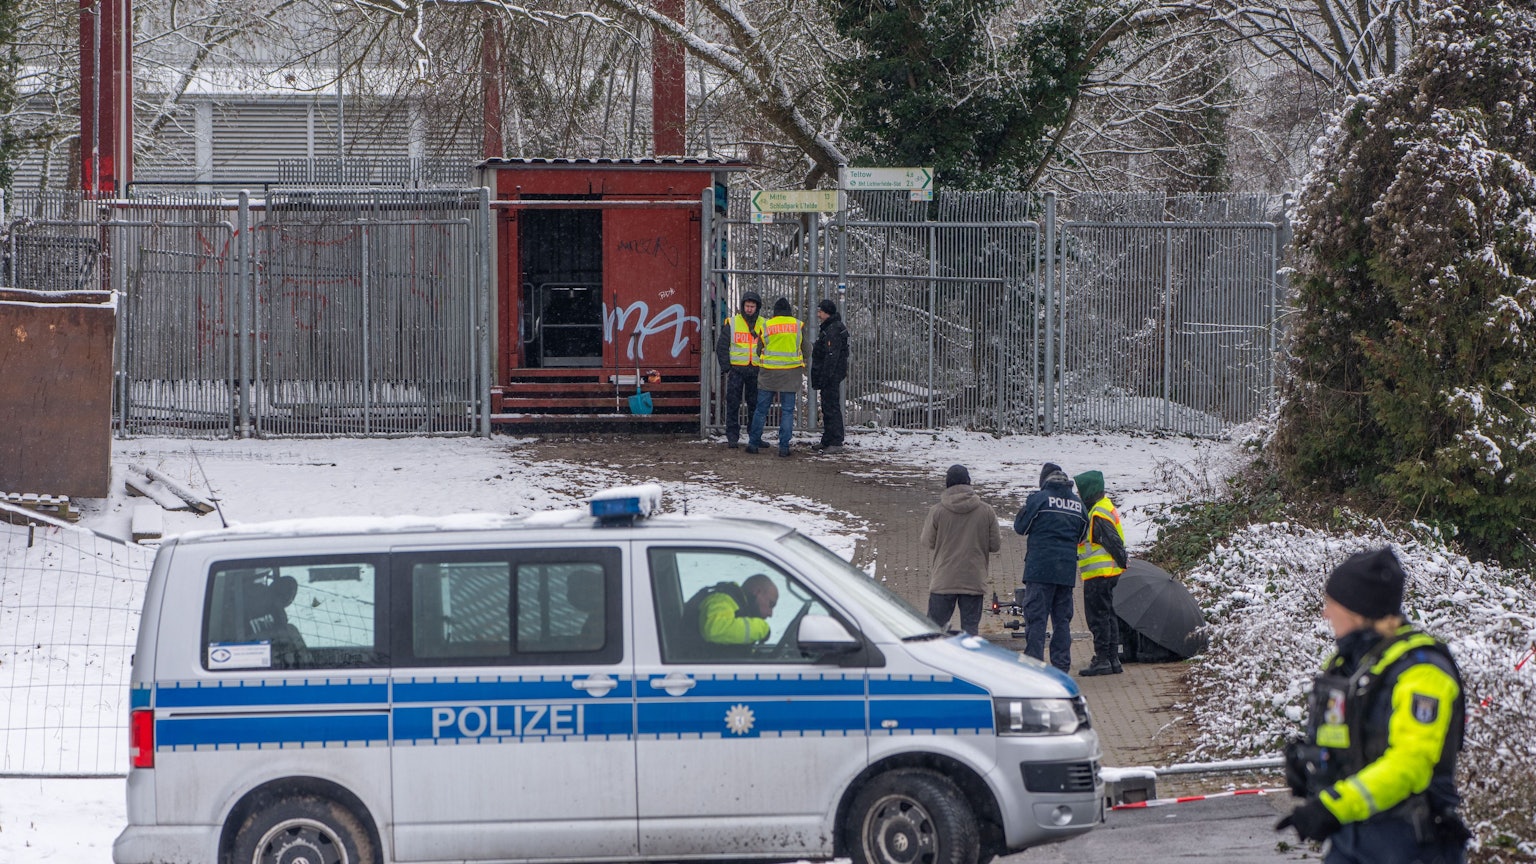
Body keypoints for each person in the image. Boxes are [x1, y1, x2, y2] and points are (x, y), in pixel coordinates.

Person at [1276, 548, 1469, 863]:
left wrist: (1334, 806)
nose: (1326, 614)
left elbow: (1410, 766)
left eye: (1331, 604)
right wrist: (1312, 766)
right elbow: (1352, 742)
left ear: (1357, 611)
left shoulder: (1422, 672)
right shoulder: (1350, 665)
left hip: (1411, 843)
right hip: (1351, 838)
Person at [1012, 463, 1087, 673]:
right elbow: (1082, 535)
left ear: (1044, 480)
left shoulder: (1039, 500)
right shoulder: (1078, 505)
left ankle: (1034, 666)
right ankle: (1061, 666)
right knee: (1062, 620)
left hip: (1040, 570)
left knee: (1036, 619)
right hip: (1066, 572)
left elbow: (1020, 527)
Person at [921, 464, 1000, 636]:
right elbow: (995, 545)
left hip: (944, 580)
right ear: (969, 482)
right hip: (973, 579)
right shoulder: (986, 511)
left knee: (933, 632)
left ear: (947, 483)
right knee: (970, 632)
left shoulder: (937, 511)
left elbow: (927, 541)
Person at [1074, 469, 1128, 676]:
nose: (1079, 496)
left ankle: (1103, 659)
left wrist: (1122, 559)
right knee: (1108, 615)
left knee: (1097, 617)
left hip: (1099, 573)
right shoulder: (1103, 507)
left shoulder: (1097, 513)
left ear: (1089, 492)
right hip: (1108, 572)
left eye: (1081, 492)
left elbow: (1113, 541)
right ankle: (1113, 659)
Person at [747, 297, 807, 457]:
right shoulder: (798, 325)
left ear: (775, 312)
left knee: (761, 410)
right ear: (789, 311)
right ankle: (784, 447)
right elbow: (807, 349)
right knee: (787, 411)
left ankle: (753, 444)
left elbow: (759, 350)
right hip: (790, 374)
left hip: (768, 374)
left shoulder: (766, 325)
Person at [715, 290, 765, 449]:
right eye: (747, 306)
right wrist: (727, 368)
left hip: (756, 370)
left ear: (757, 308)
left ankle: (755, 437)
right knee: (732, 404)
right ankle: (732, 437)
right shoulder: (732, 322)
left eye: (752, 306)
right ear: (742, 306)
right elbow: (722, 346)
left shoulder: (764, 324)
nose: (749, 309)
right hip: (737, 370)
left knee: (755, 405)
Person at [809, 298, 849, 454]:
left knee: (831, 407)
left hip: (830, 376)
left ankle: (836, 440)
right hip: (830, 375)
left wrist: (825, 376)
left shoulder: (832, 330)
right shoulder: (831, 327)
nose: (818, 314)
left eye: (820, 311)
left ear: (827, 313)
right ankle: (828, 439)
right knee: (828, 407)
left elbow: (831, 356)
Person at [695, 573, 779, 646]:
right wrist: (761, 629)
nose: (770, 614)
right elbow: (714, 629)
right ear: (757, 592)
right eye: (770, 604)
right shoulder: (722, 600)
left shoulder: (740, 608)